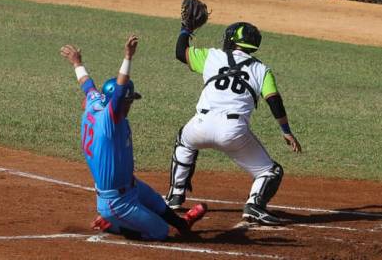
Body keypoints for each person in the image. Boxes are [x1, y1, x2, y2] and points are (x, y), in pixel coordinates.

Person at [60, 35, 207, 241]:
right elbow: (120, 92)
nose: (130, 105)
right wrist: (128, 57)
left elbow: (87, 84)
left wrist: (77, 62)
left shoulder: (95, 103)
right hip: (115, 201)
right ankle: (113, 226)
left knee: (156, 202)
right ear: (119, 103)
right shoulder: (109, 120)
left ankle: (183, 223)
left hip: (130, 185)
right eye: (129, 101)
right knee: (160, 231)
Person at [165, 22, 302, 225]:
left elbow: (180, 52)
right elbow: (274, 101)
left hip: (200, 124)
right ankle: (254, 205)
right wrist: (286, 131)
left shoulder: (212, 56)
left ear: (231, 40)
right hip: (233, 132)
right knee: (270, 171)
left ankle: (176, 194)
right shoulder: (262, 70)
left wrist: (186, 29)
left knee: (184, 142)